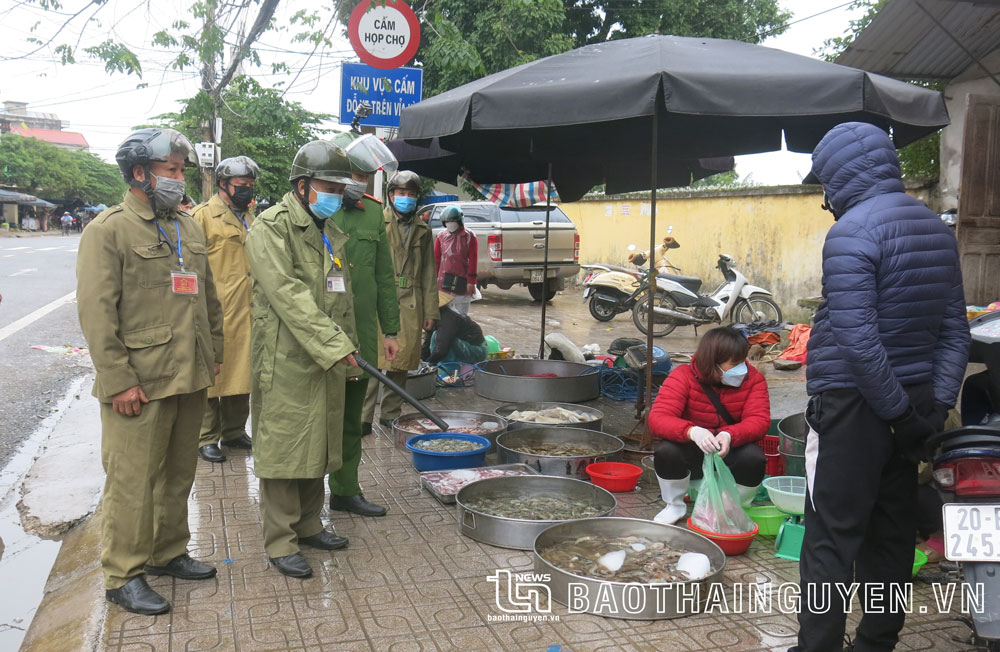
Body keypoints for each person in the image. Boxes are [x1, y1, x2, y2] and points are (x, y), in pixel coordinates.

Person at [791, 122, 970, 652]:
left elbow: (857, 340)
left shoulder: (851, 231)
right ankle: (876, 642)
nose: (825, 197)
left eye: (825, 183)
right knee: (891, 538)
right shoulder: (937, 229)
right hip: (913, 403)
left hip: (854, 407)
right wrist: (931, 410)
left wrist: (897, 413)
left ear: (840, 177)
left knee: (830, 539)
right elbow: (954, 332)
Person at [76, 128, 224, 615]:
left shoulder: (188, 228)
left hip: (189, 373)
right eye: (173, 171)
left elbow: (209, 300)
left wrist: (214, 355)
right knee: (132, 481)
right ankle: (123, 573)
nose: (180, 181)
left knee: (177, 474)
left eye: (182, 171)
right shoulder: (108, 230)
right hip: (139, 381)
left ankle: (167, 552)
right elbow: (98, 315)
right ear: (140, 173)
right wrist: (118, 380)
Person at [245, 139, 359, 579]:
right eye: (330, 185)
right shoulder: (271, 228)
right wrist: (335, 345)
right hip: (286, 356)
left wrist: (347, 344)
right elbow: (289, 295)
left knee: (321, 441)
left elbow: (339, 296)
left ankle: (310, 524)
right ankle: (280, 541)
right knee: (285, 446)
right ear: (303, 184)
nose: (337, 193)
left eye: (340, 186)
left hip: (326, 353)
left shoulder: (329, 229)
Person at [325, 131, 400, 517]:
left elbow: (385, 276)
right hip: (322, 333)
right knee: (319, 416)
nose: (359, 183)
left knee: (353, 416)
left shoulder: (373, 213)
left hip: (361, 333)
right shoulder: (320, 209)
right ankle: (304, 499)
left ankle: (345, 489)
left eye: (366, 177)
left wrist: (390, 331)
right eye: (353, 174)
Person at [647, 326, 770, 524]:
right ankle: (674, 505)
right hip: (693, 454)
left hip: (728, 453)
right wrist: (692, 432)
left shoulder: (753, 379)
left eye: (743, 361)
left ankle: (733, 506)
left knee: (753, 457)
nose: (742, 368)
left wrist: (729, 435)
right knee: (667, 451)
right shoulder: (682, 376)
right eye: (735, 363)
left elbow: (759, 420)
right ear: (714, 362)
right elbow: (658, 418)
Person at [190, 156, 259, 463]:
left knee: (242, 373)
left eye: (250, 186)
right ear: (223, 184)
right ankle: (207, 437)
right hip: (214, 310)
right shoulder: (201, 217)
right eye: (241, 186)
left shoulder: (250, 217)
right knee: (212, 376)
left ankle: (233, 431)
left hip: (246, 309)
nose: (246, 191)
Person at [362, 170, 439, 432]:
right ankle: (363, 418)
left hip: (411, 302)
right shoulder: (376, 221)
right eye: (401, 194)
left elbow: (429, 272)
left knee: (401, 363)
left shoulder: (423, 230)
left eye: (411, 194)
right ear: (391, 196)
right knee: (373, 360)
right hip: (380, 299)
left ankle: (390, 414)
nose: (406, 199)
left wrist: (432, 310)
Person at [422, 292, 488, 364]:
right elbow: (427, 343)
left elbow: (441, 350)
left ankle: (449, 371)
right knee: (435, 337)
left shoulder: (447, 319)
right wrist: (422, 359)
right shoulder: (437, 317)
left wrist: (428, 364)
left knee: (437, 337)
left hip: (477, 351)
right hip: (463, 347)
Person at [434, 206, 477, 315]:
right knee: (444, 313)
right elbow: (437, 259)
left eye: (453, 221)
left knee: (461, 314)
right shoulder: (441, 236)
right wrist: (433, 279)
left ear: (459, 220)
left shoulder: (469, 236)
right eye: (448, 221)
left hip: (463, 280)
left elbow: (473, 259)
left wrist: (471, 281)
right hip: (444, 281)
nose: (450, 223)